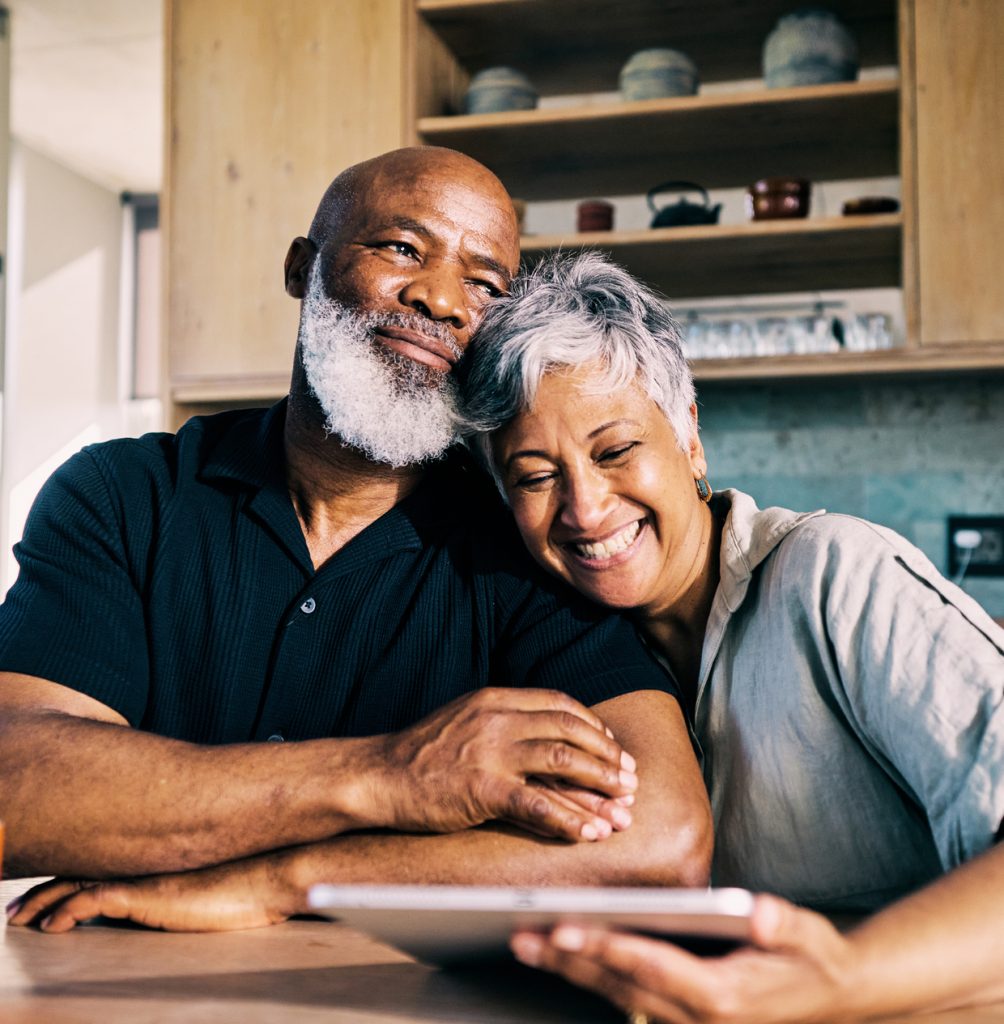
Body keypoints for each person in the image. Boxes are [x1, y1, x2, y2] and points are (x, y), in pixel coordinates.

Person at [0, 149, 712, 934]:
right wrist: (387, 775)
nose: (440, 299)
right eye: (402, 249)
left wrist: (287, 879)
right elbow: (15, 786)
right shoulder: (122, 497)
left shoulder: (525, 543)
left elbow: (663, 841)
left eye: (484, 285)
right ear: (302, 269)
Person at [458, 250, 1004, 1021]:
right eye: (536, 478)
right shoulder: (560, 654)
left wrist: (838, 980)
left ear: (688, 439)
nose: (583, 509)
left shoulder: (832, 574)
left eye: (615, 451)